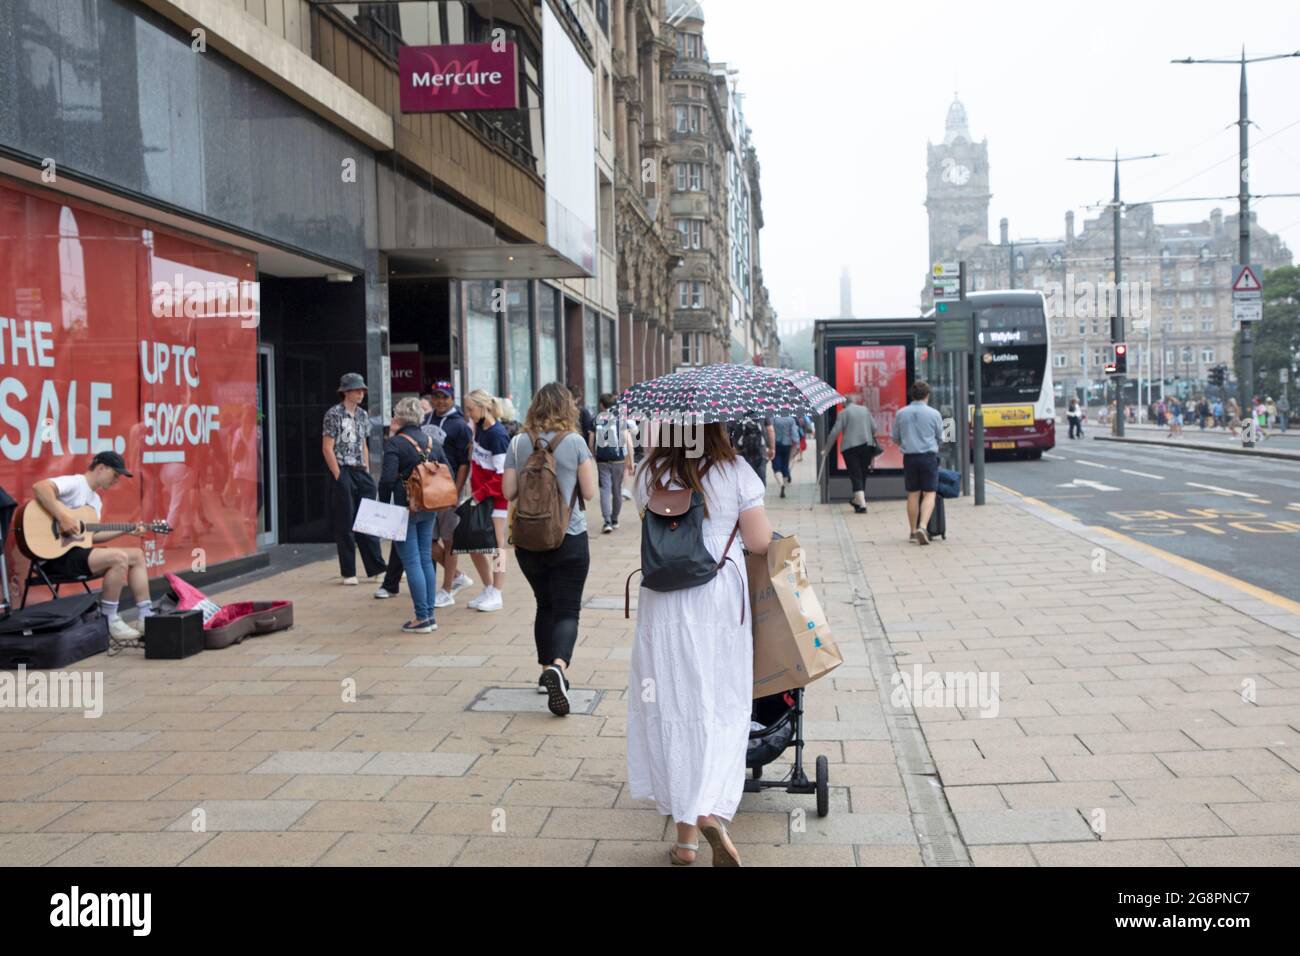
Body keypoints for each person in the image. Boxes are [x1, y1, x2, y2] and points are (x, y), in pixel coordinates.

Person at [627, 420, 771, 867]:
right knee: (719, 701)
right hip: (717, 599)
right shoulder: (737, 471)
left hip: (664, 602)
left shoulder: (649, 473)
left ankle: (686, 840)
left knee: (673, 702)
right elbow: (760, 541)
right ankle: (708, 808)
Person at [503, 383, 599, 715]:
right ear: (567, 408)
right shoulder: (574, 442)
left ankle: (545, 669)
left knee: (544, 604)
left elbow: (509, 492)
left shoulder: (518, 442)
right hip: (568, 538)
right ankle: (559, 665)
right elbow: (589, 493)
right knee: (568, 609)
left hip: (529, 541)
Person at [31, 452, 157, 642]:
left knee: (137, 555)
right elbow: (40, 487)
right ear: (101, 468)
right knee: (119, 558)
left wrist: (127, 530)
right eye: (115, 475)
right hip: (55, 557)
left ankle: (146, 616)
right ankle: (109, 619)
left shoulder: (96, 500)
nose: (116, 481)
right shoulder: (76, 483)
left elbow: (92, 536)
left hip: (75, 553)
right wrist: (63, 517)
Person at [377, 398, 450, 633]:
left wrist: (384, 505)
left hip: (403, 507)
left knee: (411, 561)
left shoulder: (396, 443)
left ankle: (422, 617)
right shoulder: (433, 441)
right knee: (425, 557)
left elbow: (387, 479)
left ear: (399, 417)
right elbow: (445, 468)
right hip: (428, 506)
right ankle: (430, 615)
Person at [322, 373, 386, 585]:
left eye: (363, 390)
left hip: (360, 470)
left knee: (369, 520)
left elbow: (363, 444)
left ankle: (377, 568)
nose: (361, 393)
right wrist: (338, 474)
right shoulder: (333, 414)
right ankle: (348, 572)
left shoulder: (362, 415)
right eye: (357, 390)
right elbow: (327, 447)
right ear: (346, 392)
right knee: (346, 521)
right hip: (343, 469)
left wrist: (367, 468)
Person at [416, 381, 474, 606]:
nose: (440, 401)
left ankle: (447, 589)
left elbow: (463, 463)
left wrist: (456, 491)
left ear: (452, 398)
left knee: (450, 540)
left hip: (448, 489)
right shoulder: (425, 419)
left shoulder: (460, 425)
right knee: (427, 540)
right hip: (427, 489)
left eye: (445, 397)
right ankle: (458, 576)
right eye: (436, 396)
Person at [465, 389, 511, 611]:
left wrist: (481, 493)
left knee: (497, 546)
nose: (468, 414)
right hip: (480, 497)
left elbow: (502, 474)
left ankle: (497, 592)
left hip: (495, 499)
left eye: (470, 409)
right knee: (473, 544)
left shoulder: (497, 434)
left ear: (482, 407)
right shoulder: (479, 429)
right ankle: (488, 587)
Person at [892, 380, 944, 545]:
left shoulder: (901, 413)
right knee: (929, 493)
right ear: (927, 395)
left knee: (913, 493)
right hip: (928, 457)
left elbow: (895, 438)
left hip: (910, 457)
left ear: (911, 395)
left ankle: (913, 531)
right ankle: (923, 526)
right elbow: (940, 438)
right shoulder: (934, 414)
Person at [824, 394, 878, 514]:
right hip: (867, 446)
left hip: (850, 448)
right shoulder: (865, 410)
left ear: (844, 403)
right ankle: (857, 501)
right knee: (862, 474)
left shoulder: (843, 413)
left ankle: (862, 504)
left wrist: (826, 449)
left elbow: (835, 432)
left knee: (855, 474)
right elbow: (874, 427)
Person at [592, 393, 635, 533]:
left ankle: (607, 521)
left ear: (601, 405)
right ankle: (615, 519)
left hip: (602, 460)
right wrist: (631, 461)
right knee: (617, 491)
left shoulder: (596, 419)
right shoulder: (620, 419)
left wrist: (593, 456)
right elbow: (628, 441)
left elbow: (591, 441)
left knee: (604, 490)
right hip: (618, 460)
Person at [771, 414, 801, 498]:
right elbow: (795, 434)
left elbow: (769, 431)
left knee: (776, 467)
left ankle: (781, 485)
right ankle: (784, 482)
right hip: (787, 445)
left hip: (776, 444)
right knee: (785, 465)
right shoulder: (791, 419)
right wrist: (797, 445)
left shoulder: (774, 418)